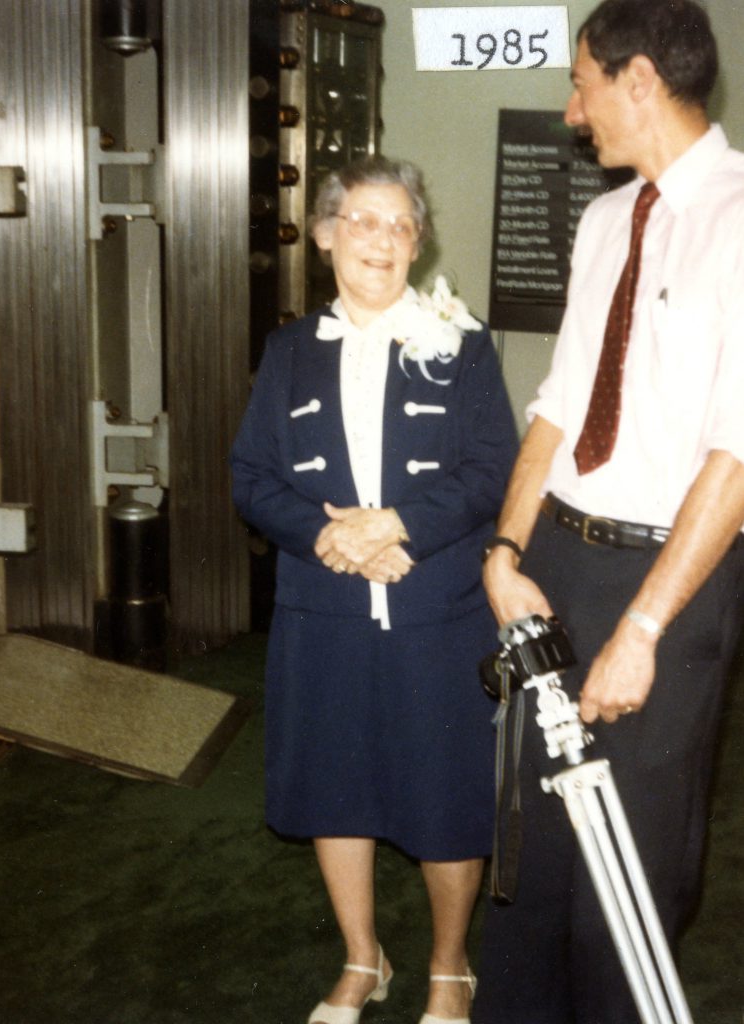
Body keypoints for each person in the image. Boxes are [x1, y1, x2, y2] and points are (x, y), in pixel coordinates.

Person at [473, 1, 744, 1021]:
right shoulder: (602, 221)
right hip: (558, 562)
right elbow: (557, 402)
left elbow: (739, 452)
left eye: (582, 82)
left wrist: (641, 628)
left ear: (640, 82)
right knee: (532, 866)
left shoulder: (739, 217)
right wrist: (506, 550)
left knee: (622, 885)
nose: (571, 110)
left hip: (667, 585)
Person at [230, 155, 518, 1024]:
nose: (381, 240)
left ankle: (446, 967)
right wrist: (330, 537)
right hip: (325, 615)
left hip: (438, 612)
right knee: (335, 789)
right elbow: (251, 477)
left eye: (400, 225)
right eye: (362, 220)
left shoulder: (461, 343)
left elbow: (490, 469)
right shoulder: (287, 352)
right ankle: (363, 959)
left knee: (447, 799)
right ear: (324, 236)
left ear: (418, 243)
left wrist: (394, 526)